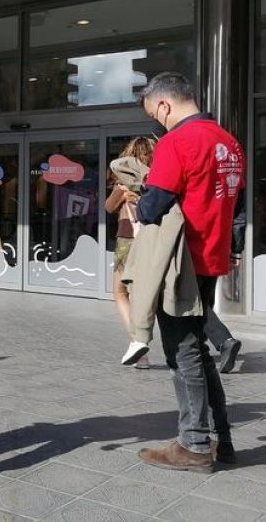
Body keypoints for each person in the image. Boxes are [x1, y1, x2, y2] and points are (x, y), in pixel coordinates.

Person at [136, 72, 245, 471]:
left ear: (164, 104)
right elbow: (238, 208)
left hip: (182, 264)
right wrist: (234, 249)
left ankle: (195, 445)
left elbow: (153, 208)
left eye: (154, 114)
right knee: (197, 351)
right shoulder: (230, 143)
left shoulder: (177, 142)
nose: (156, 122)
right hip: (212, 259)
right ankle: (222, 440)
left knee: (183, 355)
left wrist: (138, 199)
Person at [106, 137, 154, 369]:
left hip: (127, 238)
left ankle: (137, 342)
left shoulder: (124, 182)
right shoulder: (157, 179)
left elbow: (108, 207)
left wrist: (121, 193)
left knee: (120, 292)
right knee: (140, 294)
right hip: (152, 240)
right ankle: (140, 347)